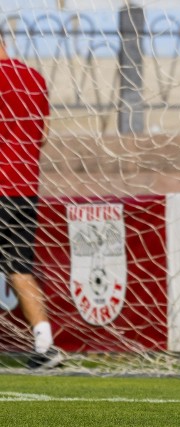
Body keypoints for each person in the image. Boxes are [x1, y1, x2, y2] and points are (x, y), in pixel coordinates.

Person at [0, 35, 62, 368]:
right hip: (25, 187)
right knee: (19, 269)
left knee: (17, 269)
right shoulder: (34, 77)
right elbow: (44, 131)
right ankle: (44, 346)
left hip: (1, 185)